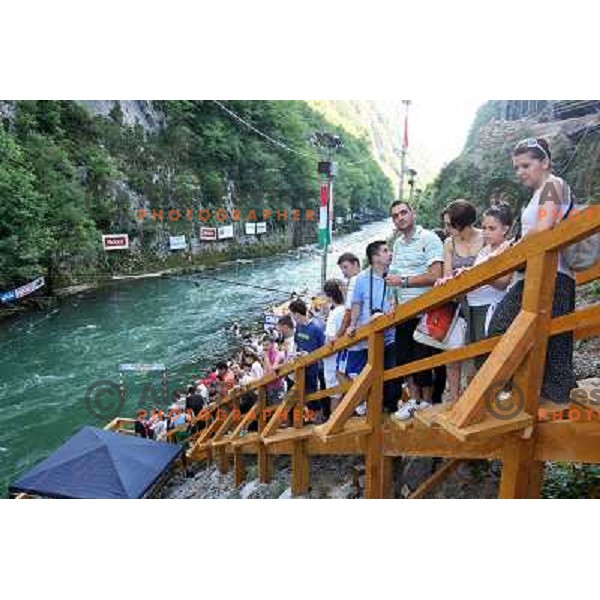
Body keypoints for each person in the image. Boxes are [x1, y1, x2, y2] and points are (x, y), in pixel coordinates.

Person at [487, 137, 577, 403]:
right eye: (516, 167)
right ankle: (531, 397)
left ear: (545, 162)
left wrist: (508, 248)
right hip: (536, 274)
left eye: (525, 165)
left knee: (553, 346)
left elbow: (543, 228)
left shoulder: (553, 185)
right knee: (542, 341)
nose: (520, 173)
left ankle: (555, 409)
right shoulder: (537, 195)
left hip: (553, 275)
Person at [385, 200, 444, 419]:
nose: (400, 217)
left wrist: (404, 281)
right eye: (395, 215)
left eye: (403, 212)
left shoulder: (428, 238)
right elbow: (393, 277)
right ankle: (414, 399)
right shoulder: (398, 244)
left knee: (423, 359)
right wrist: (393, 302)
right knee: (405, 358)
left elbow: (435, 275)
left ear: (413, 214)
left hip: (425, 310)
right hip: (404, 311)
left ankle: (427, 402)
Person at [347, 241, 399, 414]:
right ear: (375, 257)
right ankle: (374, 409)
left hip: (390, 334)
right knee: (372, 374)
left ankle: (390, 407)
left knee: (391, 373)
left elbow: (396, 299)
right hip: (369, 336)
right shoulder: (362, 278)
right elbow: (356, 303)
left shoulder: (394, 274)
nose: (389, 253)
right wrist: (353, 325)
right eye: (385, 251)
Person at [440, 199, 484, 402]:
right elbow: (447, 273)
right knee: (454, 351)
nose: (446, 229)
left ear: (462, 223)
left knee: (478, 351)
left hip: (483, 299)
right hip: (459, 302)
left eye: (450, 224)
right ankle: (455, 398)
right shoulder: (449, 243)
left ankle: (474, 397)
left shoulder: (484, 237)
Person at [289, 299, 326, 421]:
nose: (292, 318)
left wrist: (310, 355)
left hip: (314, 368)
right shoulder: (299, 327)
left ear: (297, 314)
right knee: (303, 393)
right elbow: (297, 343)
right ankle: (308, 417)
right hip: (301, 367)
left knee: (312, 392)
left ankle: (316, 416)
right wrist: (295, 354)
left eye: (292, 314)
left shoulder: (316, 329)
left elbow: (324, 348)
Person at [323, 279, 346, 412]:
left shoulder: (335, 313)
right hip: (344, 357)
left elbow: (330, 339)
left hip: (333, 360)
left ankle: (334, 423)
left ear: (329, 296)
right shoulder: (346, 310)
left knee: (335, 395)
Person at [337, 252, 362, 376]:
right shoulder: (368, 277)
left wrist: (337, 337)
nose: (343, 271)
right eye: (342, 268)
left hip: (357, 338)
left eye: (345, 267)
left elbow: (348, 312)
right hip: (368, 336)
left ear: (355, 264)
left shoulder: (354, 280)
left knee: (348, 375)